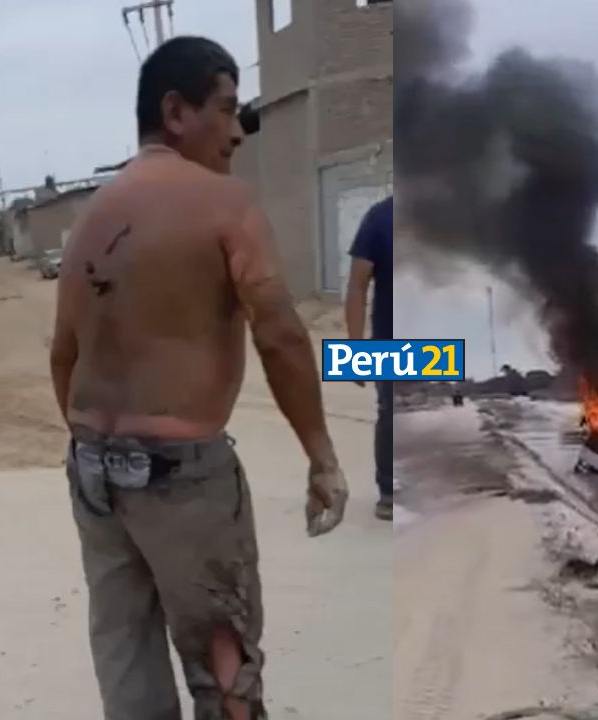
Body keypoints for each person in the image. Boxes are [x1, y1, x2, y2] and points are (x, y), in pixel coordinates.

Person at [49, 36, 349, 720]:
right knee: (224, 667)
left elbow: (63, 356)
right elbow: (279, 334)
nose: (238, 132)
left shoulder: (90, 221)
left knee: (127, 661)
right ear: (176, 112)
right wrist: (322, 458)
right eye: (227, 108)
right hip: (180, 478)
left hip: (92, 471)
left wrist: (96, 450)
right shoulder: (225, 204)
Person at [344, 195, 393, 521]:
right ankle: (389, 491)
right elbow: (358, 286)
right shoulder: (380, 217)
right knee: (391, 411)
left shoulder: (444, 215)